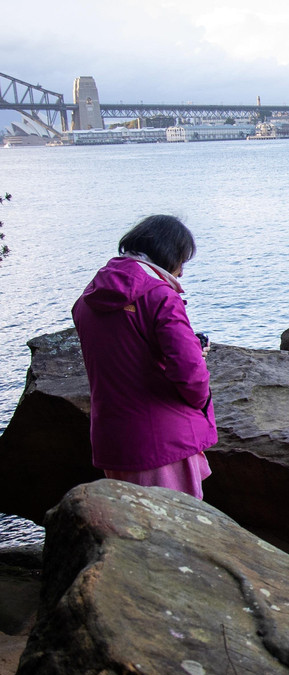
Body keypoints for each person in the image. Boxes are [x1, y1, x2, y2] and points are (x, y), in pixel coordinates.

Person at [72, 214, 217, 499]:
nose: (181, 273)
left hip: (112, 439)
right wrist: (200, 383)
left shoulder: (86, 299)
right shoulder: (161, 296)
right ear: (168, 255)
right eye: (181, 262)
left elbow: (123, 351)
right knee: (173, 534)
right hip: (164, 442)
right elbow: (190, 376)